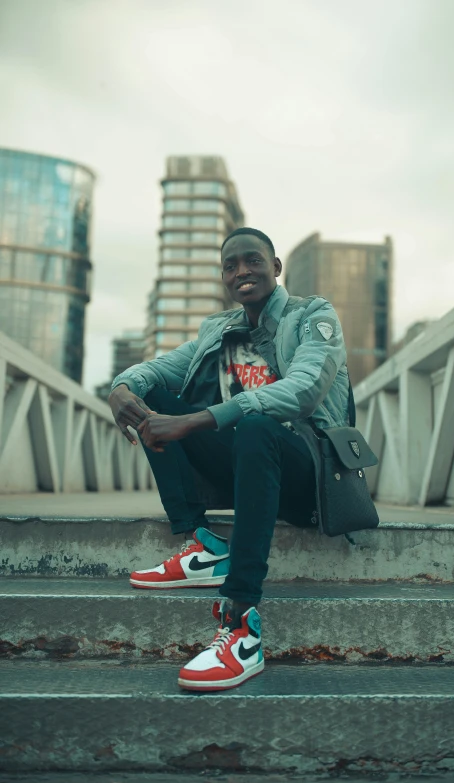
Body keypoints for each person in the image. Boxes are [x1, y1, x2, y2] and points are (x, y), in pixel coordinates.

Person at [108, 227, 350, 692]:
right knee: (155, 395)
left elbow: (303, 391)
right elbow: (159, 369)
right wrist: (121, 388)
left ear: (275, 267)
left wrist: (200, 420)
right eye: (231, 265)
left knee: (258, 424)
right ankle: (203, 543)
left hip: (308, 471)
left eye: (253, 260)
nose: (242, 271)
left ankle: (241, 624)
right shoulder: (217, 329)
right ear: (223, 276)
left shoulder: (312, 315)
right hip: (249, 468)